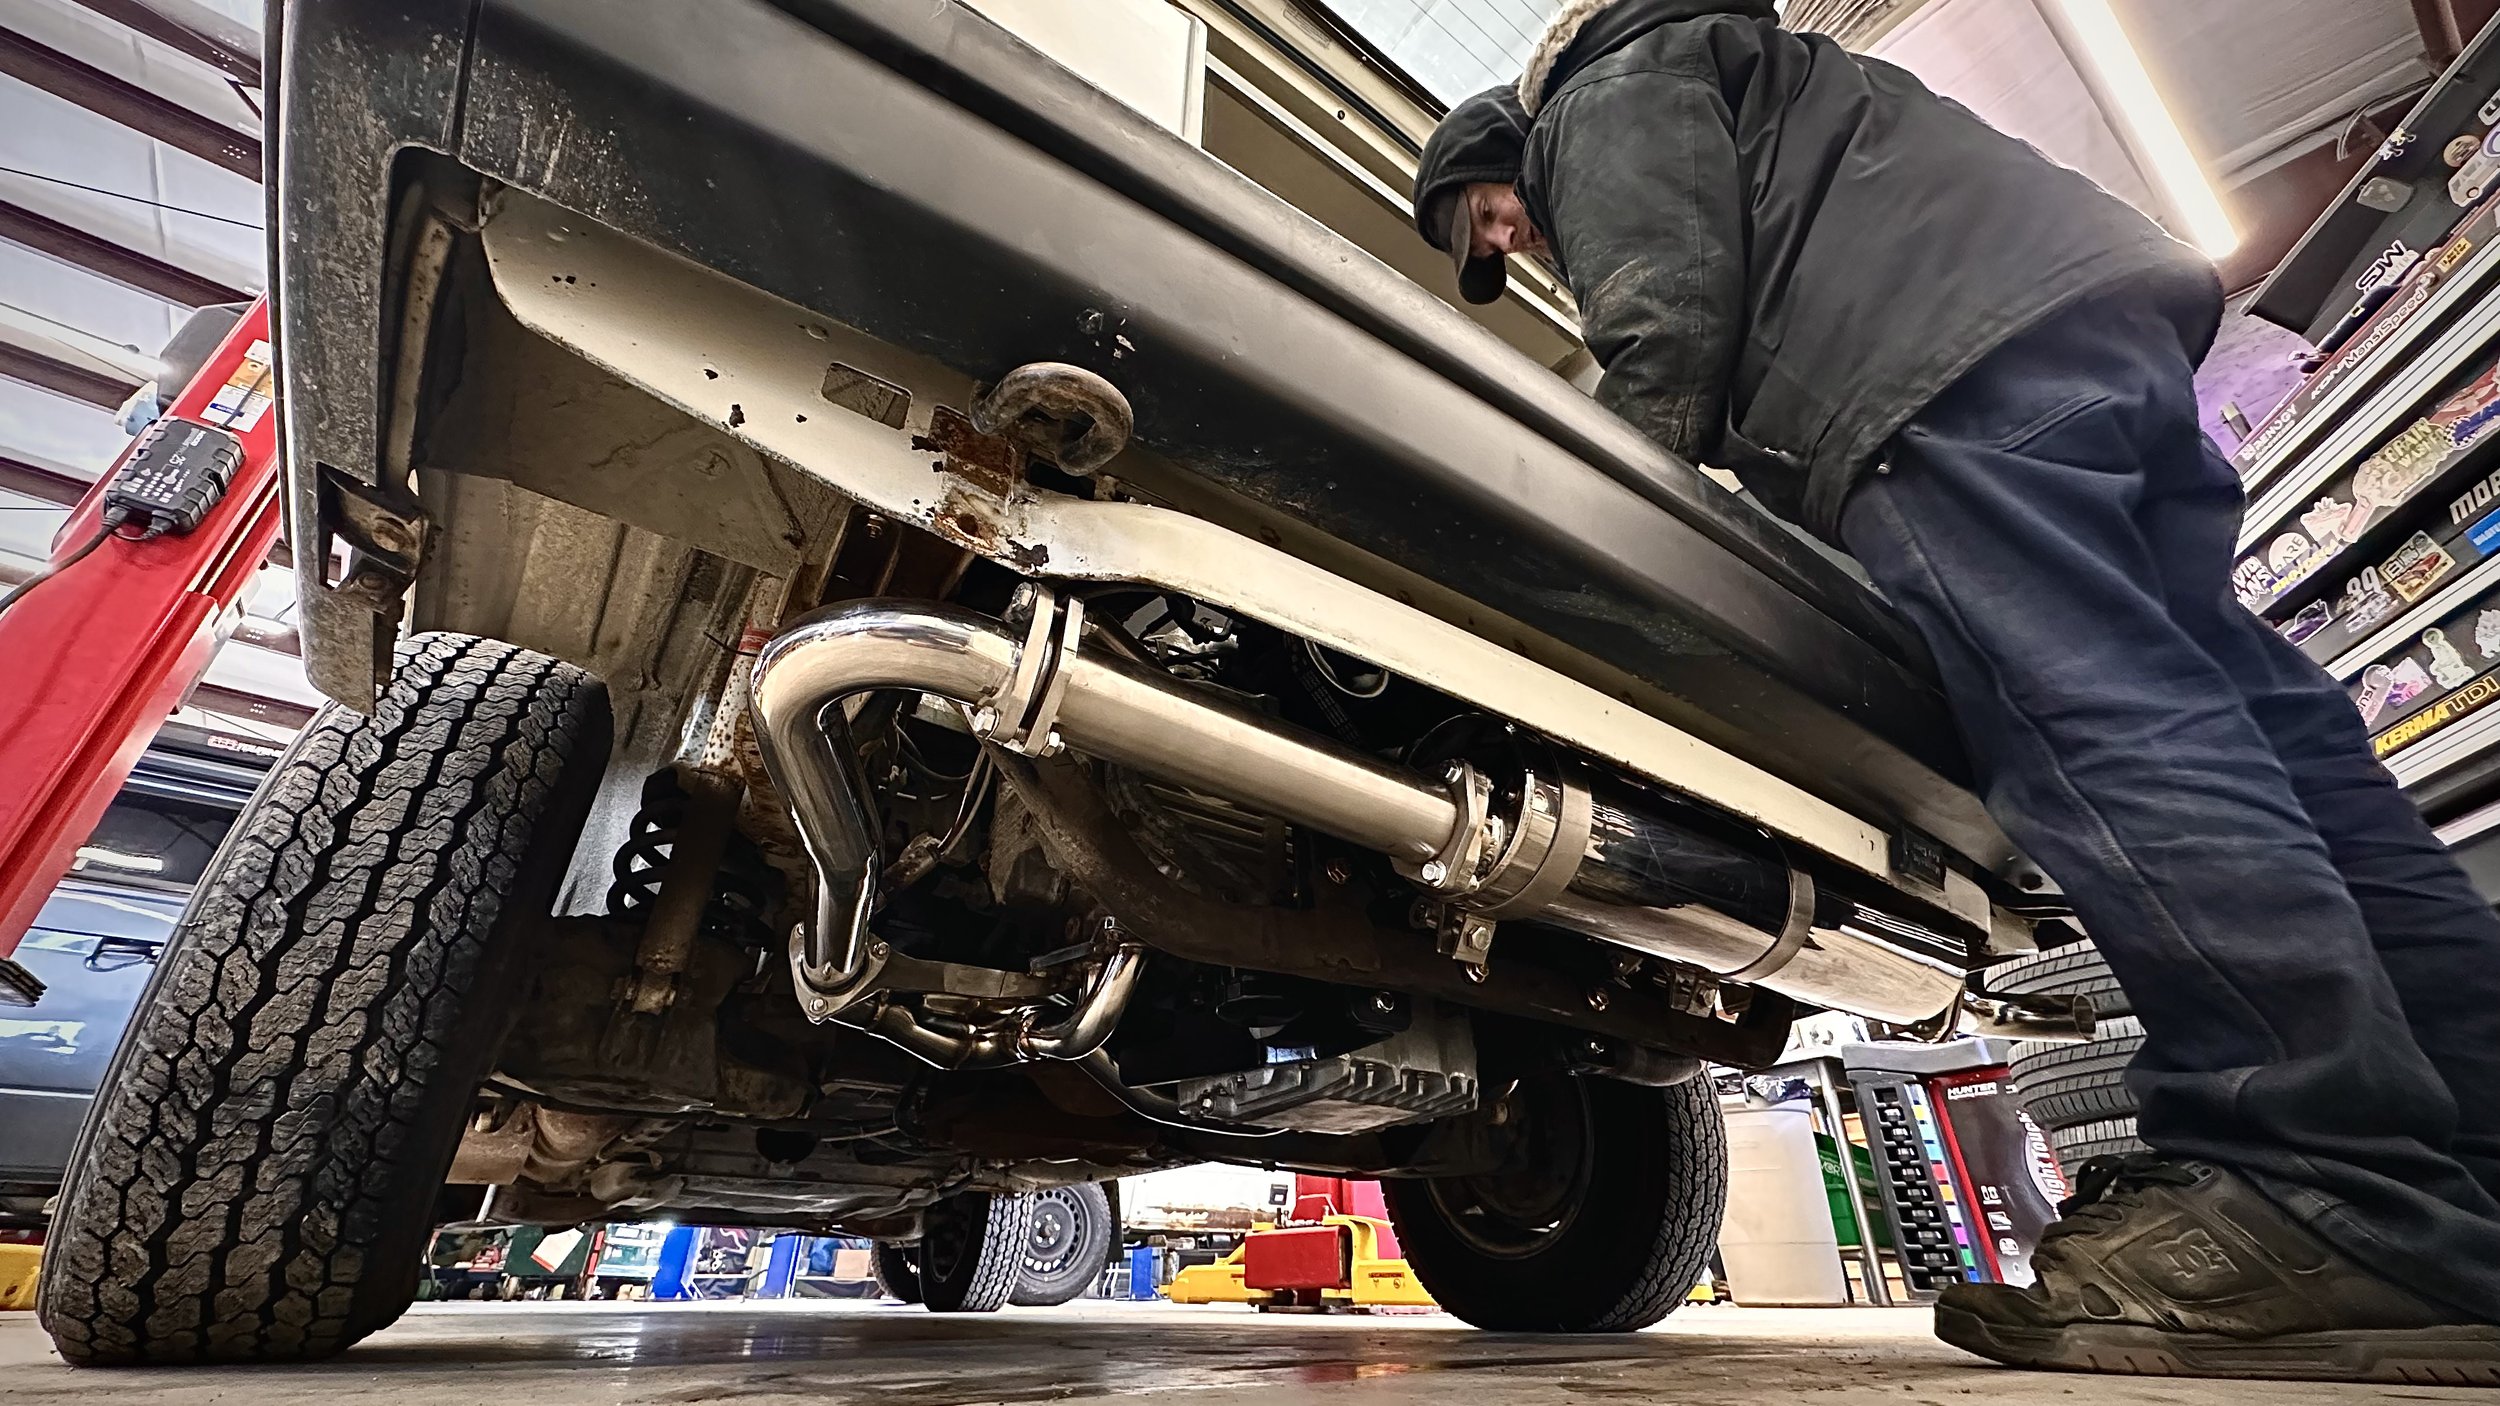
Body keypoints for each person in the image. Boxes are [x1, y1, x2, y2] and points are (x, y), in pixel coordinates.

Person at [1411, 0, 2500, 1384]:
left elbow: (1665, 326)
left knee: (2100, 730)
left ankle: (2314, 1182)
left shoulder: (1596, 90)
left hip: (1933, 374)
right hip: (2092, 337)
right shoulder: (1780, 82)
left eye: (1483, 219)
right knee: (2282, 749)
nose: (1507, 245)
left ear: (1493, 145)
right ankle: (2466, 1193)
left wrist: (1583, 549)